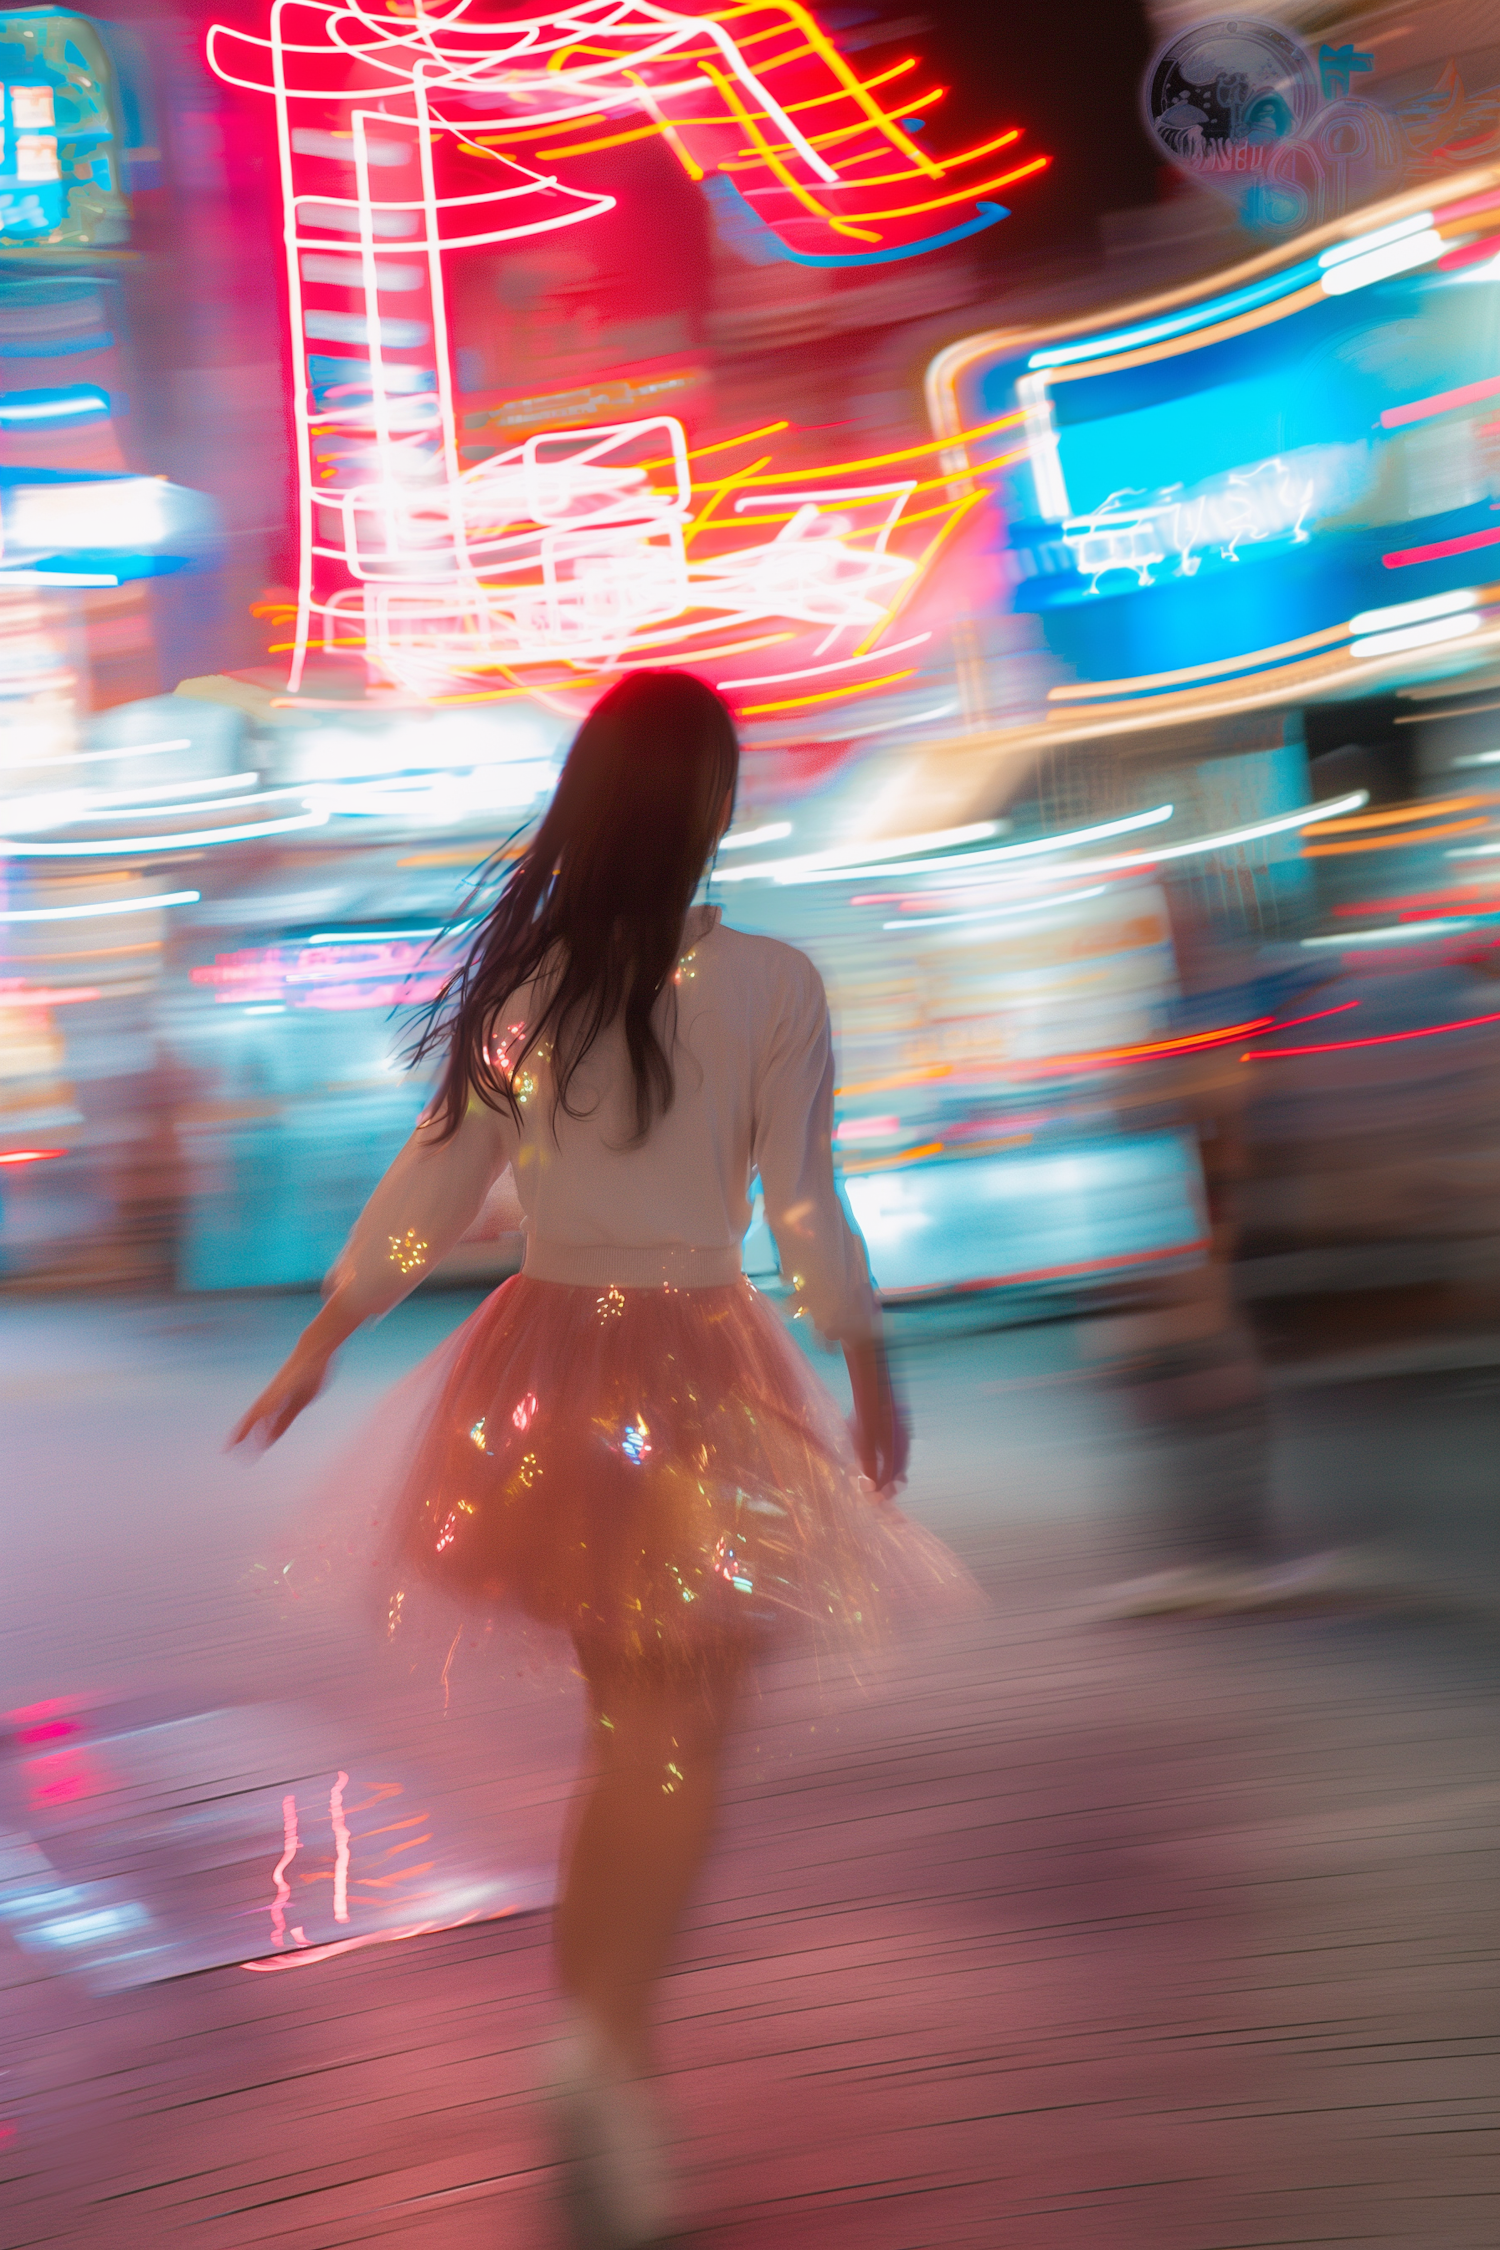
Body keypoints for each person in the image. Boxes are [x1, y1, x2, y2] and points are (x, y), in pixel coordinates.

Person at [231, 670, 968, 2249]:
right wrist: (867, 1355)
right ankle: (600, 2054)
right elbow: (805, 1207)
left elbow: (434, 1182)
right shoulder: (774, 982)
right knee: (683, 1729)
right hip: (697, 1367)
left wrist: (331, 1329)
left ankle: (605, 2049)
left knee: (633, 1725)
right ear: (710, 805)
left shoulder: (532, 989)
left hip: (547, 1374)